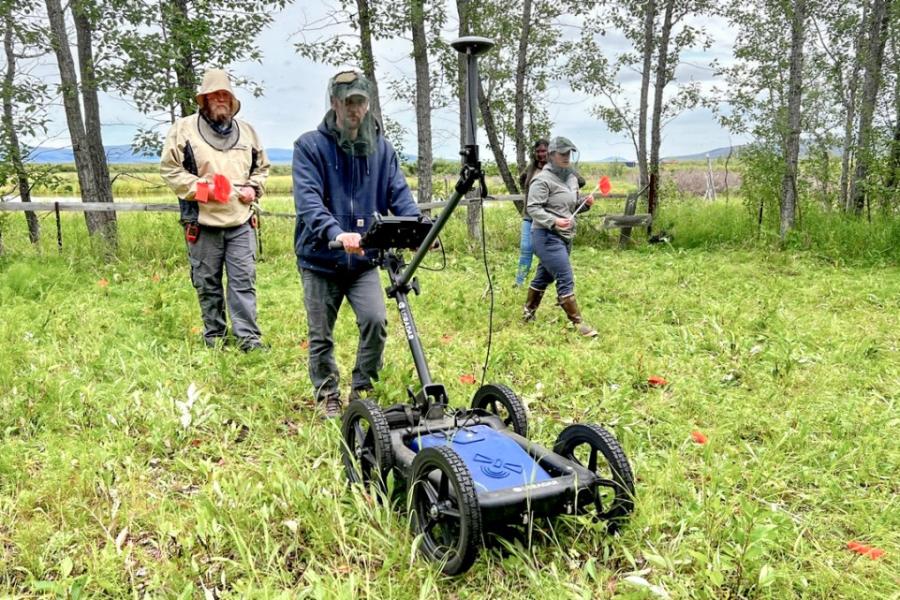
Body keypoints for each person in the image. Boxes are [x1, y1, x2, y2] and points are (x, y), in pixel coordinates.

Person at [293, 70, 421, 419]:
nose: (355, 109)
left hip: (364, 261)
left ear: (368, 105)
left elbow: (399, 194)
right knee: (321, 334)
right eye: (348, 101)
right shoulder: (310, 147)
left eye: (360, 101)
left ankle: (363, 388)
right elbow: (308, 202)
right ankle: (327, 394)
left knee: (376, 321)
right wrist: (335, 232)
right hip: (322, 258)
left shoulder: (381, 149)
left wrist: (419, 230)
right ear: (335, 102)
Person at [160, 68, 270, 351]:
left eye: (225, 95)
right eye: (215, 95)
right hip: (202, 223)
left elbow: (262, 169)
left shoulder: (248, 132)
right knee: (207, 283)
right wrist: (203, 190)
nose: (221, 99)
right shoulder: (182, 130)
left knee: (243, 281)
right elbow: (170, 170)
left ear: (232, 100)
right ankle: (215, 337)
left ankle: (249, 339)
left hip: (241, 221)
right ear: (204, 99)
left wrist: (253, 189)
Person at [522, 136, 598, 337]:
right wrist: (553, 221)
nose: (566, 157)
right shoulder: (542, 180)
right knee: (565, 275)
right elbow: (533, 208)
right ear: (551, 155)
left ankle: (528, 312)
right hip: (545, 235)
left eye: (568, 153)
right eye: (562, 153)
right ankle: (578, 324)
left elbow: (569, 207)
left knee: (544, 276)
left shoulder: (572, 178)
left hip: (565, 236)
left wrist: (585, 204)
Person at [514, 139, 548, 287]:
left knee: (546, 251)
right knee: (526, 249)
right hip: (529, 216)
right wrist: (530, 194)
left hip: (547, 217)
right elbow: (522, 180)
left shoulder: (556, 168)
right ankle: (519, 282)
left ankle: (542, 282)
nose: (541, 154)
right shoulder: (531, 168)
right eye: (538, 151)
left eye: (544, 151)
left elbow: (579, 181)